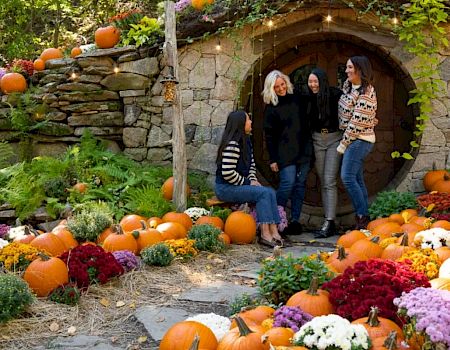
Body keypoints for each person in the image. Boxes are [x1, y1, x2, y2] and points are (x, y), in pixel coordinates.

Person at [215, 110, 283, 248]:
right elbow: (227, 173)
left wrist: (253, 179)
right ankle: (265, 233)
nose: (251, 122)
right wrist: (248, 182)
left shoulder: (246, 142)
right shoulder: (233, 145)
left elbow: (251, 166)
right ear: (241, 124)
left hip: (238, 185)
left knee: (269, 191)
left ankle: (274, 230)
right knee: (263, 194)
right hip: (226, 188)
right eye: (248, 120)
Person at [262, 70, 312, 236]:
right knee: (287, 183)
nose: (281, 88)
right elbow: (269, 136)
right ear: (271, 89)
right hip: (284, 153)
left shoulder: (297, 98)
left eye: (283, 84)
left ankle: (295, 221)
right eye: (277, 87)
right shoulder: (271, 108)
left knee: (299, 185)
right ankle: (276, 218)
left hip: (304, 148)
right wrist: (273, 159)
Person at [337, 56, 378, 230]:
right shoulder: (348, 87)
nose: (346, 71)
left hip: (360, 140)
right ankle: (364, 219)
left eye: (350, 67)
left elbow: (357, 122)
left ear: (360, 70)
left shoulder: (367, 91)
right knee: (357, 179)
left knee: (347, 177)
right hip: (353, 138)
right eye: (346, 67)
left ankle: (362, 216)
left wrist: (343, 144)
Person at [305, 68, 343, 238]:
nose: (313, 85)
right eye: (310, 81)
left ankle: (329, 220)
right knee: (323, 179)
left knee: (329, 180)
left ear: (322, 81)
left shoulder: (335, 94)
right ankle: (330, 222)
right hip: (317, 140)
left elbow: (351, 107)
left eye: (315, 81)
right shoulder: (308, 97)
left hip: (335, 138)